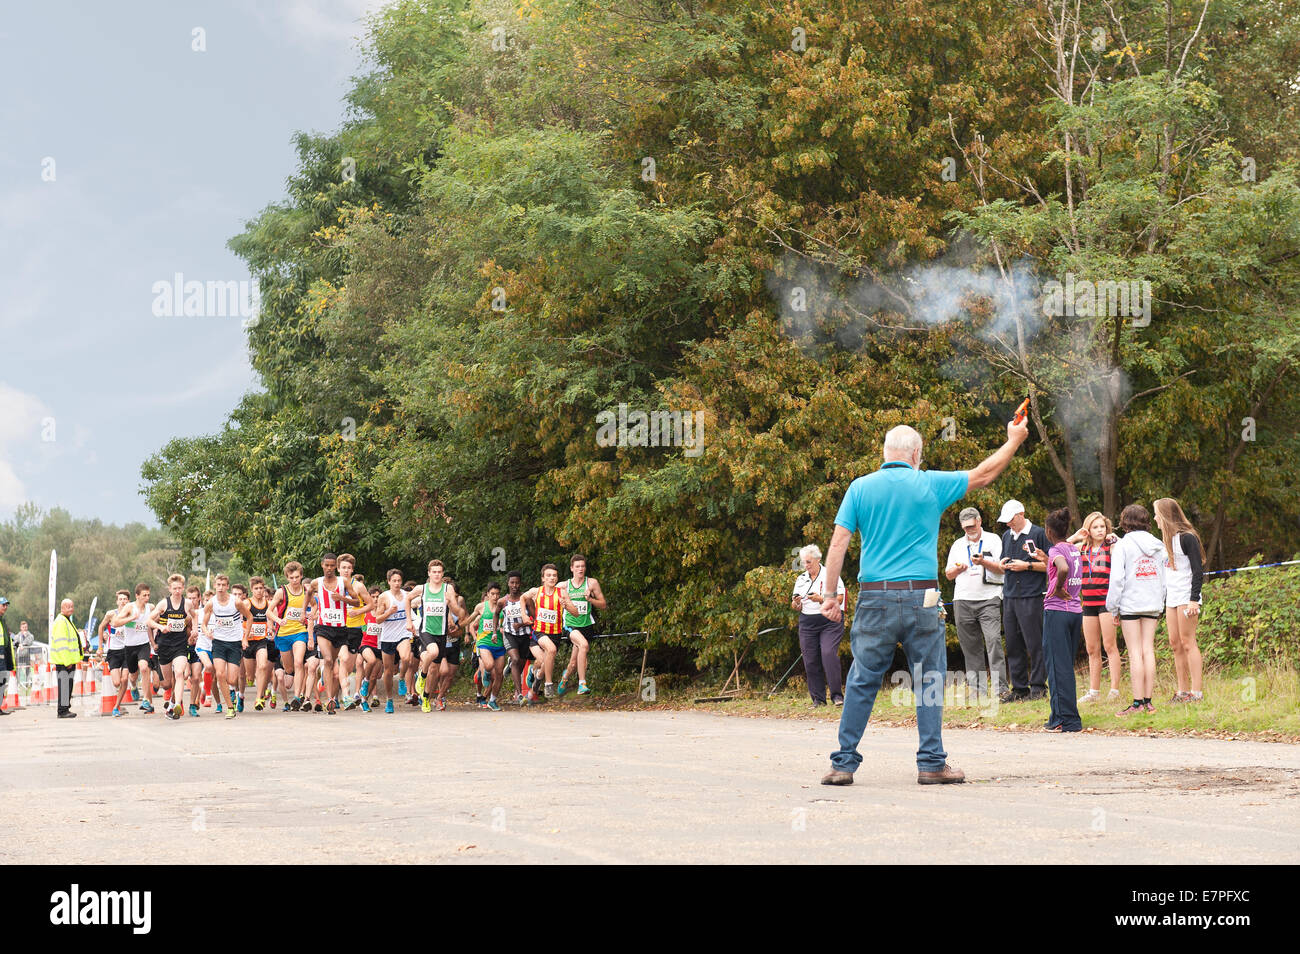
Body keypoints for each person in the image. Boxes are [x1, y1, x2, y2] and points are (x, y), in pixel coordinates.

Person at [818, 418, 1028, 787]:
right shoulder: (930, 483)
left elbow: (838, 544)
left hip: (875, 596)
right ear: (916, 454)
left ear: (885, 454)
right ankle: (931, 763)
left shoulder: (860, 488)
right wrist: (1013, 440)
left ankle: (843, 764)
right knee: (928, 678)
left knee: (862, 679)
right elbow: (984, 473)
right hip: (923, 596)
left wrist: (833, 596)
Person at [1105, 504, 1168, 716]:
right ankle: (1149, 702)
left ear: (1125, 522)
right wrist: (1161, 602)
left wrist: (1112, 608)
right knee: (1148, 650)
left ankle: (1137, 702)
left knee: (1134, 653)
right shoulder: (1158, 544)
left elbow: (1117, 579)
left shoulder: (1123, 545)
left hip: (1130, 604)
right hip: (1152, 603)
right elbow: (1163, 577)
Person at [942, 508, 1005, 700]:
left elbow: (1003, 568)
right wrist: (958, 569)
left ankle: (1000, 688)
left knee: (993, 641)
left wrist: (983, 562)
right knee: (970, 646)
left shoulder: (993, 539)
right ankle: (978, 690)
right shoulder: (958, 545)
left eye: (971, 525)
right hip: (963, 599)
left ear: (979, 520)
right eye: (965, 527)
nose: (969, 530)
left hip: (990, 598)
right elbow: (948, 574)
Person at [996, 500, 1049, 703]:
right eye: (1006, 521)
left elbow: (1050, 565)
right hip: (1009, 596)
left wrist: (1026, 566)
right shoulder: (1006, 536)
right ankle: (1019, 688)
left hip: (1031, 595)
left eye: (1011, 520)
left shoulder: (1038, 534)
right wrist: (1003, 564)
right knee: (1013, 643)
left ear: (1021, 514)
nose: (1008, 524)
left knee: (1035, 643)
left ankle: (1038, 686)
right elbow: (1003, 562)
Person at [1154, 498, 1205, 703]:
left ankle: (1196, 692)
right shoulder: (1166, 540)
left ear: (1166, 515)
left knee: (1187, 641)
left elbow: (1198, 570)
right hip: (1171, 598)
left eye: (1157, 513)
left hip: (1186, 596)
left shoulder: (1187, 538)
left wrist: (1194, 599)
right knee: (1175, 643)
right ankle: (1182, 691)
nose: (1155, 518)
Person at [1068, 512, 1122, 702]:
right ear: (1088, 530)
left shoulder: (1112, 546)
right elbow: (1059, 551)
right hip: (1088, 603)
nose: (1100, 530)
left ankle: (1114, 691)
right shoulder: (1081, 548)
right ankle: (1094, 692)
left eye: (1102, 527)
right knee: (1092, 649)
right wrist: (1075, 536)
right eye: (1095, 527)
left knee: (1110, 646)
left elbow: (1125, 547)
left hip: (1106, 603)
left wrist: (1115, 537)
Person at [1041, 508, 1084, 732]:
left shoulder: (1055, 549)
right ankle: (1062, 715)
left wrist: (1057, 587)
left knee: (1057, 667)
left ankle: (1066, 719)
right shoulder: (1074, 549)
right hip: (1075, 611)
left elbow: (1063, 568)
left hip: (1057, 611)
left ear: (1048, 531)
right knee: (1065, 665)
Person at [790, 544, 847, 706]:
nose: (806, 565)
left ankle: (837, 696)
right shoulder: (801, 579)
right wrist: (796, 603)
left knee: (828, 654)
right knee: (810, 660)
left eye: (808, 562)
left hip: (830, 620)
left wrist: (821, 599)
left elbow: (841, 599)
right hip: (807, 622)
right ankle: (818, 699)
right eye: (803, 562)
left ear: (818, 559)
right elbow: (795, 607)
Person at [556, 555, 607, 696]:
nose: (580, 569)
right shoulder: (563, 586)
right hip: (570, 625)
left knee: (574, 663)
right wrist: (560, 604)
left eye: (583, 566)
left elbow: (603, 604)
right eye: (577, 566)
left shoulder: (591, 583)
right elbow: (547, 599)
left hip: (586, 626)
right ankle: (582, 684)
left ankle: (565, 678)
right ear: (572, 568)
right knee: (584, 645)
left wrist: (590, 599)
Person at [203, 575, 253, 719]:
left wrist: (245, 638)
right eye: (218, 584)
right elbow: (205, 624)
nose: (220, 587)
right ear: (214, 585)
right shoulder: (211, 604)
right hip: (218, 642)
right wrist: (207, 632)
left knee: (231, 679)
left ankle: (233, 692)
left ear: (227, 586)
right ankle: (230, 707)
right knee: (219, 674)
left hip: (235, 643)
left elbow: (249, 617)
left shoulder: (236, 602)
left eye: (223, 585)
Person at [307, 553, 350, 714]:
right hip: (323, 627)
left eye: (333, 565)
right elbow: (308, 594)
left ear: (335, 567)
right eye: (327, 565)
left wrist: (342, 598)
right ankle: (330, 699)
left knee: (333, 665)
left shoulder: (343, 582)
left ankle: (332, 696)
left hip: (340, 628)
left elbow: (357, 601)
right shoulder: (316, 582)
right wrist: (307, 611)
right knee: (327, 659)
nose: (330, 568)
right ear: (322, 565)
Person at [147, 575, 194, 720]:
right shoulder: (163, 604)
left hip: (180, 644)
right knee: (167, 683)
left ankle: (177, 704)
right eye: (175, 588)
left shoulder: (187, 604)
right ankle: (172, 702)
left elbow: (194, 615)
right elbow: (148, 620)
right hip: (165, 645)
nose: (177, 591)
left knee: (179, 673)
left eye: (180, 588)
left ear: (183, 588)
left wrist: (195, 630)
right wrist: (161, 626)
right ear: (170, 589)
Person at [268, 562, 312, 711]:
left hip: (300, 631)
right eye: (292, 577)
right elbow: (269, 612)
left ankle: (297, 697)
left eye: (297, 577)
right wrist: (279, 620)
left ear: (301, 576)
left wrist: (310, 614)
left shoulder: (306, 590)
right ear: (287, 577)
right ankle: (290, 674)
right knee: (289, 667)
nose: (295, 580)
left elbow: (315, 605)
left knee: (299, 662)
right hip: (283, 634)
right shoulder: (281, 592)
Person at [523, 565, 564, 698]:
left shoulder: (562, 593)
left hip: (555, 633)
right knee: (550, 650)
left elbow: (574, 612)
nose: (552, 578)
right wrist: (524, 615)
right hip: (538, 633)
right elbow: (523, 598)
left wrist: (567, 605)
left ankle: (536, 676)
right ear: (543, 578)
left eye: (554, 575)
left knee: (544, 664)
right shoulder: (536, 592)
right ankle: (548, 684)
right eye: (548, 575)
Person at [376, 570, 412, 714]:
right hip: (387, 637)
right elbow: (378, 619)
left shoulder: (406, 596)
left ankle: (402, 677)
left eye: (399, 580)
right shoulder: (384, 597)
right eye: (394, 581)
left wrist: (410, 623)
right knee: (388, 672)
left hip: (403, 633)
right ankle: (389, 699)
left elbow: (411, 610)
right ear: (389, 582)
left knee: (405, 657)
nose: (397, 583)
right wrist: (389, 612)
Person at [499, 571, 536, 704]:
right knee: (515, 659)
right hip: (510, 634)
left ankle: (516, 689)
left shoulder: (527, 600)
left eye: (517, 582)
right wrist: (494, 631)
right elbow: (495, 614)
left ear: (521, 584)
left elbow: (534, 618)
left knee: (520, 664)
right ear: (508, 583)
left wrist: (520, 624)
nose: (515, 585)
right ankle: (520, 694)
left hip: (525, 635)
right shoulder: (502, 601)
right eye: (512, 582)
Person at [467, 583, 506, 711]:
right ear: (488, 594)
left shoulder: (502, 607)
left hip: (499, 644)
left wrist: (503, 629)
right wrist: (463, 627)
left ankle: (492, 700)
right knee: (489, 665)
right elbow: (470, 621)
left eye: (497, 594)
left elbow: (505, 623)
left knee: (499, 675)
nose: (495, 597)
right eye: (492, 594)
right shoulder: (481, 607)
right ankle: (486, 674)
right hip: (484, 642)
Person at [119, 583, 156, 714]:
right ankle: (133, 686)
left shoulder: (150, 607)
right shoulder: (130, 607)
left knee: (144, 668)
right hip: (130, 646)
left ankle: (146, 699)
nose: (147, 598)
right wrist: (131, 618)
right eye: (144, 595)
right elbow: (116, 622)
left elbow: (155, 620)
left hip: (143, 645)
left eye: (148, 595)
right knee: (133, 676)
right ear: (137, 596)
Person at [51, 598, 87, 718]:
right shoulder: (61, 621)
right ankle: (62, 711)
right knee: (65, 685)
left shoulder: (66, 620)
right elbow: (62, 644)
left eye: (72, 606)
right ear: (62, 608)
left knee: (68, 685)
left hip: (68, 660)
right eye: (68, 606)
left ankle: (65, 708)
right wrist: (67, 661)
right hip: (64, 661)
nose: (71, 609)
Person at [357, 585, 384, 712]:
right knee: (371, 661)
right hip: (366, 644)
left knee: (375, 677)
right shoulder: (365, 612)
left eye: (378, 597)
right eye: (372, 597)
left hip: (379, 646)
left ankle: (364, 700)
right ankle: (365, 681)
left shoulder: (384, 613)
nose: (375, 599)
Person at [0, 597, 13, 715]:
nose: (5, 607)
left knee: (2, 680)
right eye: (3, 605)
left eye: (6, 605)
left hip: (3, 652)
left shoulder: (2, 620)